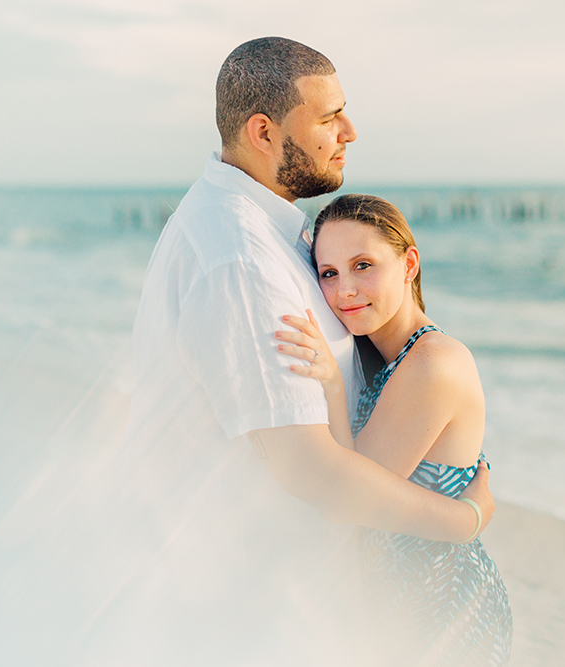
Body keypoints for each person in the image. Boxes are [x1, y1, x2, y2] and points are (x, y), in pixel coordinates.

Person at [110, 37, 495, 666]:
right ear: (264, 133)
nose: (349, 129)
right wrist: (463, 522)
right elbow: (311, 472)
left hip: (279, 598)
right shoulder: (241, 258)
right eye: (327, 117)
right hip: (244, 604)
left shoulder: (275, 233)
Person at [275, 194, 513, 666]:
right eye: (329, 273)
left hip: (446, 611)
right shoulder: (378, 356)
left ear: (409, 265)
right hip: (396, 609)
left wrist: (332, 390)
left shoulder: (433, 363)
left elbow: (349, 499)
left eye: (363, 265)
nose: (345, 291)